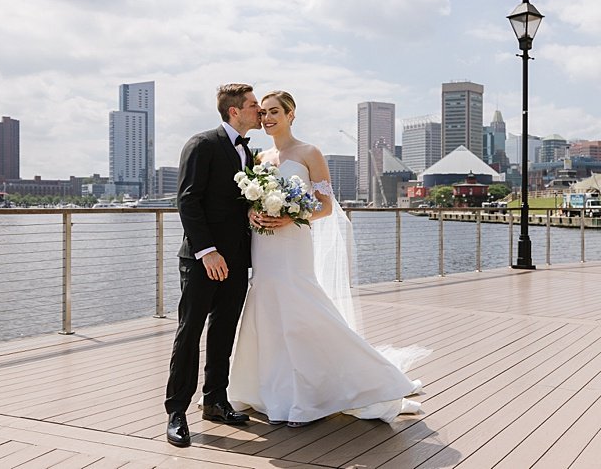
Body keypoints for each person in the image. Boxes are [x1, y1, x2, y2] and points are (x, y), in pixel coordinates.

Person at [227, 90, 428, 427]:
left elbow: (325, 206)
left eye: (275, 111)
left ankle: (347, 382)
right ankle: (270, 389)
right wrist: (253, 214)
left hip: (293, 243)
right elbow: (248, 200)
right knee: (268, 309)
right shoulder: (259, 158)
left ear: (291, 114)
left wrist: (291, 216)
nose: (267, 118)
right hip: (264, 247)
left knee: (302, 309)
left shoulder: (309, 152)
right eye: (262, 113)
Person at [165, 83, 261, 447]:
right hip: (203, 259)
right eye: (253, 105)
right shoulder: (202, 144)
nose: (259, 111)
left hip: (237, 259)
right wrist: (208, 251)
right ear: (234, 111)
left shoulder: (248, 154)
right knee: (190, 332)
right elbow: (187, 201)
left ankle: (215, 402)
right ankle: (176, 411)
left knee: (224, 331)